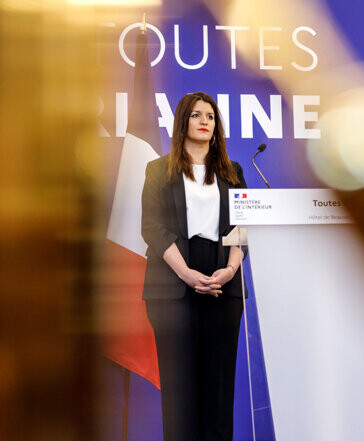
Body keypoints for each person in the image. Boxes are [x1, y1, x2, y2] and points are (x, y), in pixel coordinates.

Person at [141, 92, 247, 441]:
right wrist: (186, 274)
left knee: (218, 390)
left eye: (211, 117)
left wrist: (231, 270)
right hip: (173, 283)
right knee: (180, 392)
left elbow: (242, 227)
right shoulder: (158, 170)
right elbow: (152, 227)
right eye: (197, 115)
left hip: (222, 280)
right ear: (182, 122)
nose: (205, 121)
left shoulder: (233, 173)